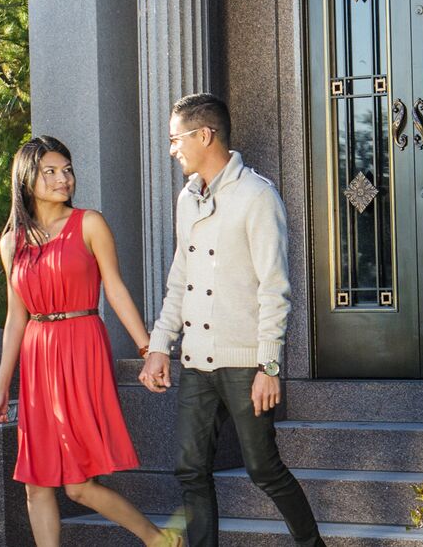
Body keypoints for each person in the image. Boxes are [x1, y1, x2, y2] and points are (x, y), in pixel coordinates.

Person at [138, 93, 326, 547]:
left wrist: (269, 366)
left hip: (246, 363)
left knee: (264, 468)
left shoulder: (256, 195)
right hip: (197, 361)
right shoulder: (187, 199)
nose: (172, 149)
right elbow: (180, 278)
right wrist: (160, 344)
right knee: (190, 468)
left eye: (176, 139)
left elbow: (274, 287)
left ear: (205, 135)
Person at [0, 136, 178, 547]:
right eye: (50, 172)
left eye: (67, 170)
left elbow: (116, 289)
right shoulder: (11, 242)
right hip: (37, 358)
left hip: (81, 347)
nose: (63, 179)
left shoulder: (89, 223)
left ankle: (158, 540)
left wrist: (148, 350)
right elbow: (16, 317)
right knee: (36, 483)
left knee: (77, 485)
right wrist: (2, 387)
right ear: (26, 179)